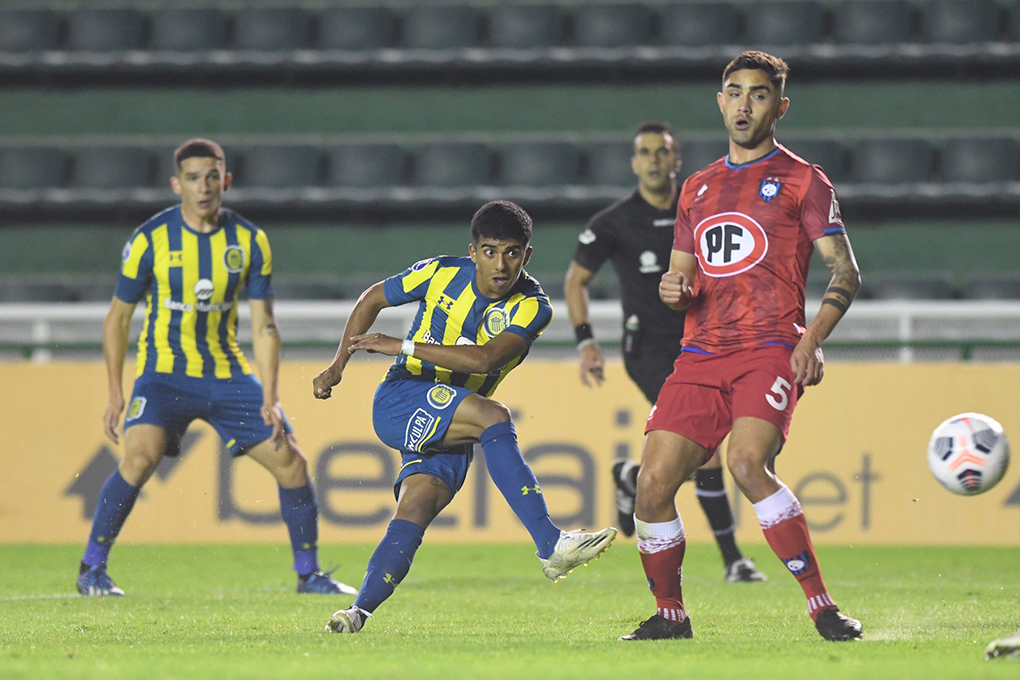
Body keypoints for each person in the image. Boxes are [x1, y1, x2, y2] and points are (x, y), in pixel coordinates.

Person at [619, 52, 863, 642]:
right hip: (701, 353)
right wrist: (673, 288)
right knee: (651, 486)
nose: (744, 104)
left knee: (747, 464)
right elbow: (681, 282)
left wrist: (811, 340)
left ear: (779, 106)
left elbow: (845, 272)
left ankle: (822, 607)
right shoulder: (697, 188)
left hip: (769, 347)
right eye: (734, 92)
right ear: (720, 101)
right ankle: (671, 616)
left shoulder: (805, 179)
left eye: (759, 94)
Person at [313, 200, 618, 634]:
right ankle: (550, 544)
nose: (501, 264)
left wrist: (402, 344)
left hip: (452, 419)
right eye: (490, 251)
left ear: (527, 256)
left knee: (416, 507)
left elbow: (487, 358)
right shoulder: (440, 273)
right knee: (494, 416)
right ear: (473, 251)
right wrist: (338, 365)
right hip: (402, 396)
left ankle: (355, 613)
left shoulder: (533, 306)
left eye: (512, 252)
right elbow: (372, 298)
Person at [76, 139, 355, 597]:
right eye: (192, 178)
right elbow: (118, 318)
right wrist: (114, 391)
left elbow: (264, 326)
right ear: (177, 184)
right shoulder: (151, 239)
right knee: (139, 456)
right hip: (163, 374)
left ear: (225, 180)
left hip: (226, 374)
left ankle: (310, 576)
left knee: (292, 462)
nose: (203, 187)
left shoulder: (249, 240)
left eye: (211, 176)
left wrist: (270, 396)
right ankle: (92, 569)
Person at [565, 121, 765, 584]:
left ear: (677, 160)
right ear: (634, 162)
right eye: (645, 152)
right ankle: (734, 559)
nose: (654, 159)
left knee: (698, 452)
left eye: (663, 151)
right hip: (650, 351)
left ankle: (634, 479)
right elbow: (576, 281)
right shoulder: (613, 222)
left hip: (707, 346)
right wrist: (586, 341)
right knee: (710, 450)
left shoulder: (702, 209)